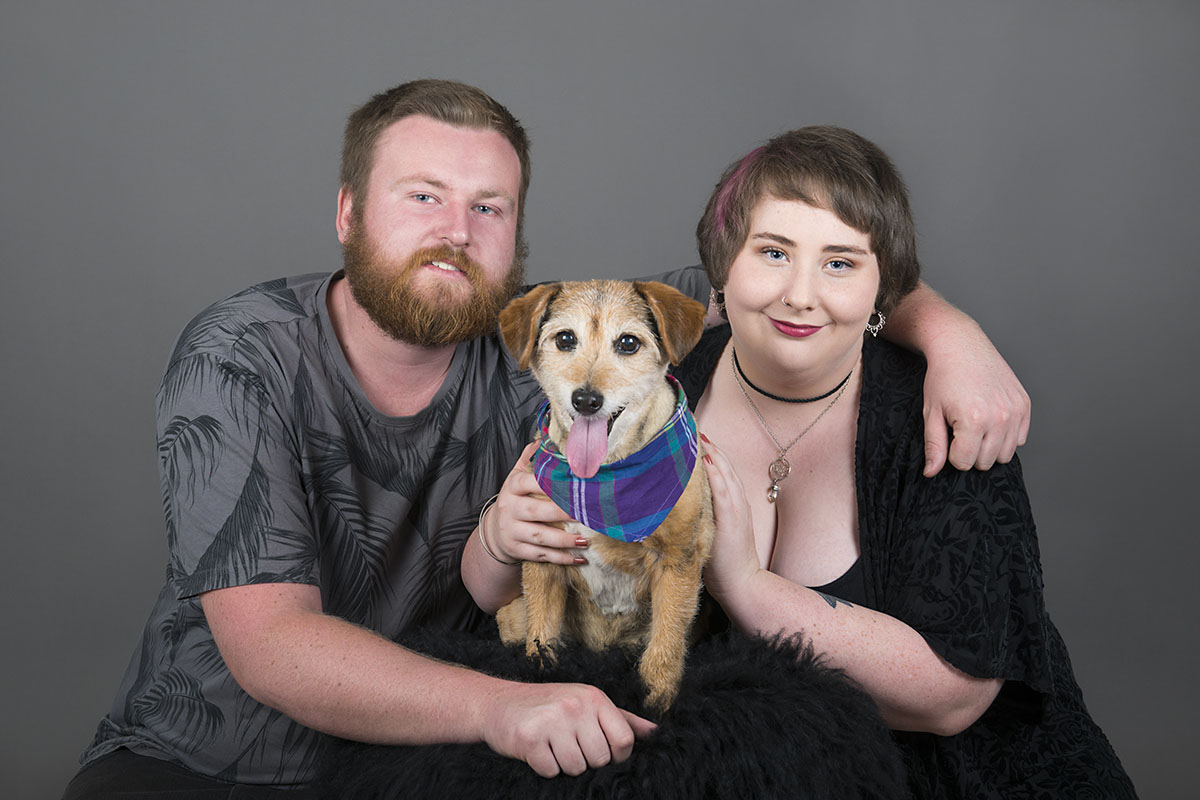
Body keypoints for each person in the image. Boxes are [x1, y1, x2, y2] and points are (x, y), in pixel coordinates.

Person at [66, 80, 1030, 797]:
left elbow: (784, 279)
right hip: (210, 756)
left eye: (489, 207)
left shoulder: (554, 337)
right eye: (422, 197)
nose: (457, 231)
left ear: (519, 233)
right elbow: (272, 645)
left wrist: (954, 335)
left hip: (424, 759)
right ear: (349, 213)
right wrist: (499, 708)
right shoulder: (243, 353)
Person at [473, 125, 1134, 797]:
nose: (801, 294)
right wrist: (508, 532)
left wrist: (744, 584)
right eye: (773, 252)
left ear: (884, 291)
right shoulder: (648, 384)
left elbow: (953, 699)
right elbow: (546, 583)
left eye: (841, 262)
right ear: (723, 269)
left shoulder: (938, 415)